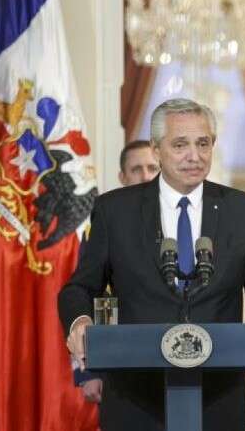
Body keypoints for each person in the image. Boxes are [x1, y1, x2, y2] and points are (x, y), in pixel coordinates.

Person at [58, 98, 245, 431]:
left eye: (203, 143)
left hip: (218, 401)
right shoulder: (115, 211)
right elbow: (79, 288)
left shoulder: (243, 211)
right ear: (156, 149)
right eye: (180, 145)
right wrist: (80, 321)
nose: (194, 156)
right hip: (136, 402)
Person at [75, 140, 161, 404]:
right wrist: (91, 370)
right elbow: (92, 296)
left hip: (177, 359)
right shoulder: (105, 224)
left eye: (152, 168)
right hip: (121, 363)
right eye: (136, 169)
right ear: (123, 177)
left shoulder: (183, 220)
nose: (145, 175)